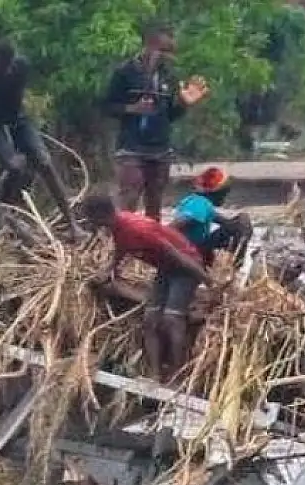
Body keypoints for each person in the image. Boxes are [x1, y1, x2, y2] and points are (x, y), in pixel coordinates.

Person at [82, 193, 213, 382]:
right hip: (166, 268)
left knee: (172, 319)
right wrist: (110, 269)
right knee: (150, 320)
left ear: (99, 216)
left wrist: (206, 280)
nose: (90, 224)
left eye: (91, 220)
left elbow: (177, 255)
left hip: (185, 266)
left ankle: (178, 375)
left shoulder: (137, 228)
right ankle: (154, 374)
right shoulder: (118, 226)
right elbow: (122, 247)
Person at [0, 39, 78, 236]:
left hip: (16, 117)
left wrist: (22, 143)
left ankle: (72, 223)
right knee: (14, 166)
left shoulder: (21, 66)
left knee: (45, 163)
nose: (4, 70)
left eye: (8, 66)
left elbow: (17, 102)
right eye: (0, 66)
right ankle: (1, 213)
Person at [104, 22, 210, 219]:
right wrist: (131, 109)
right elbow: (107, 106)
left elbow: (170, 115)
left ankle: (152, 247)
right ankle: (123, 242)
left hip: (160, 149)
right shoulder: (125, 72)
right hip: (131, 147)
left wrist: (185, 103)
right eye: (164, 51)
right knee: (130, 196)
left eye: (170, 52)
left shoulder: (169, 76)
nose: (167, 57)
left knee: (155, 202)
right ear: (149, 46)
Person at [249, 212, 305, 308]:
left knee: (304, 286)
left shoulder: (289, 235)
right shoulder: (304, 254)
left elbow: (255, 253)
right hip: (269, 291)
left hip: (256, 285)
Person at [168, 166, 254, 268]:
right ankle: (237, 265)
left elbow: (225, 222)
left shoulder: (198, 201)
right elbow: (177, 224)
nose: (225, 197)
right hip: (190, 249)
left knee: (242, 221)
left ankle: (233, 261)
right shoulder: (201, 204)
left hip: (193, 247)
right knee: (242, 221)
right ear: (217, 193)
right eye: (224, 193)